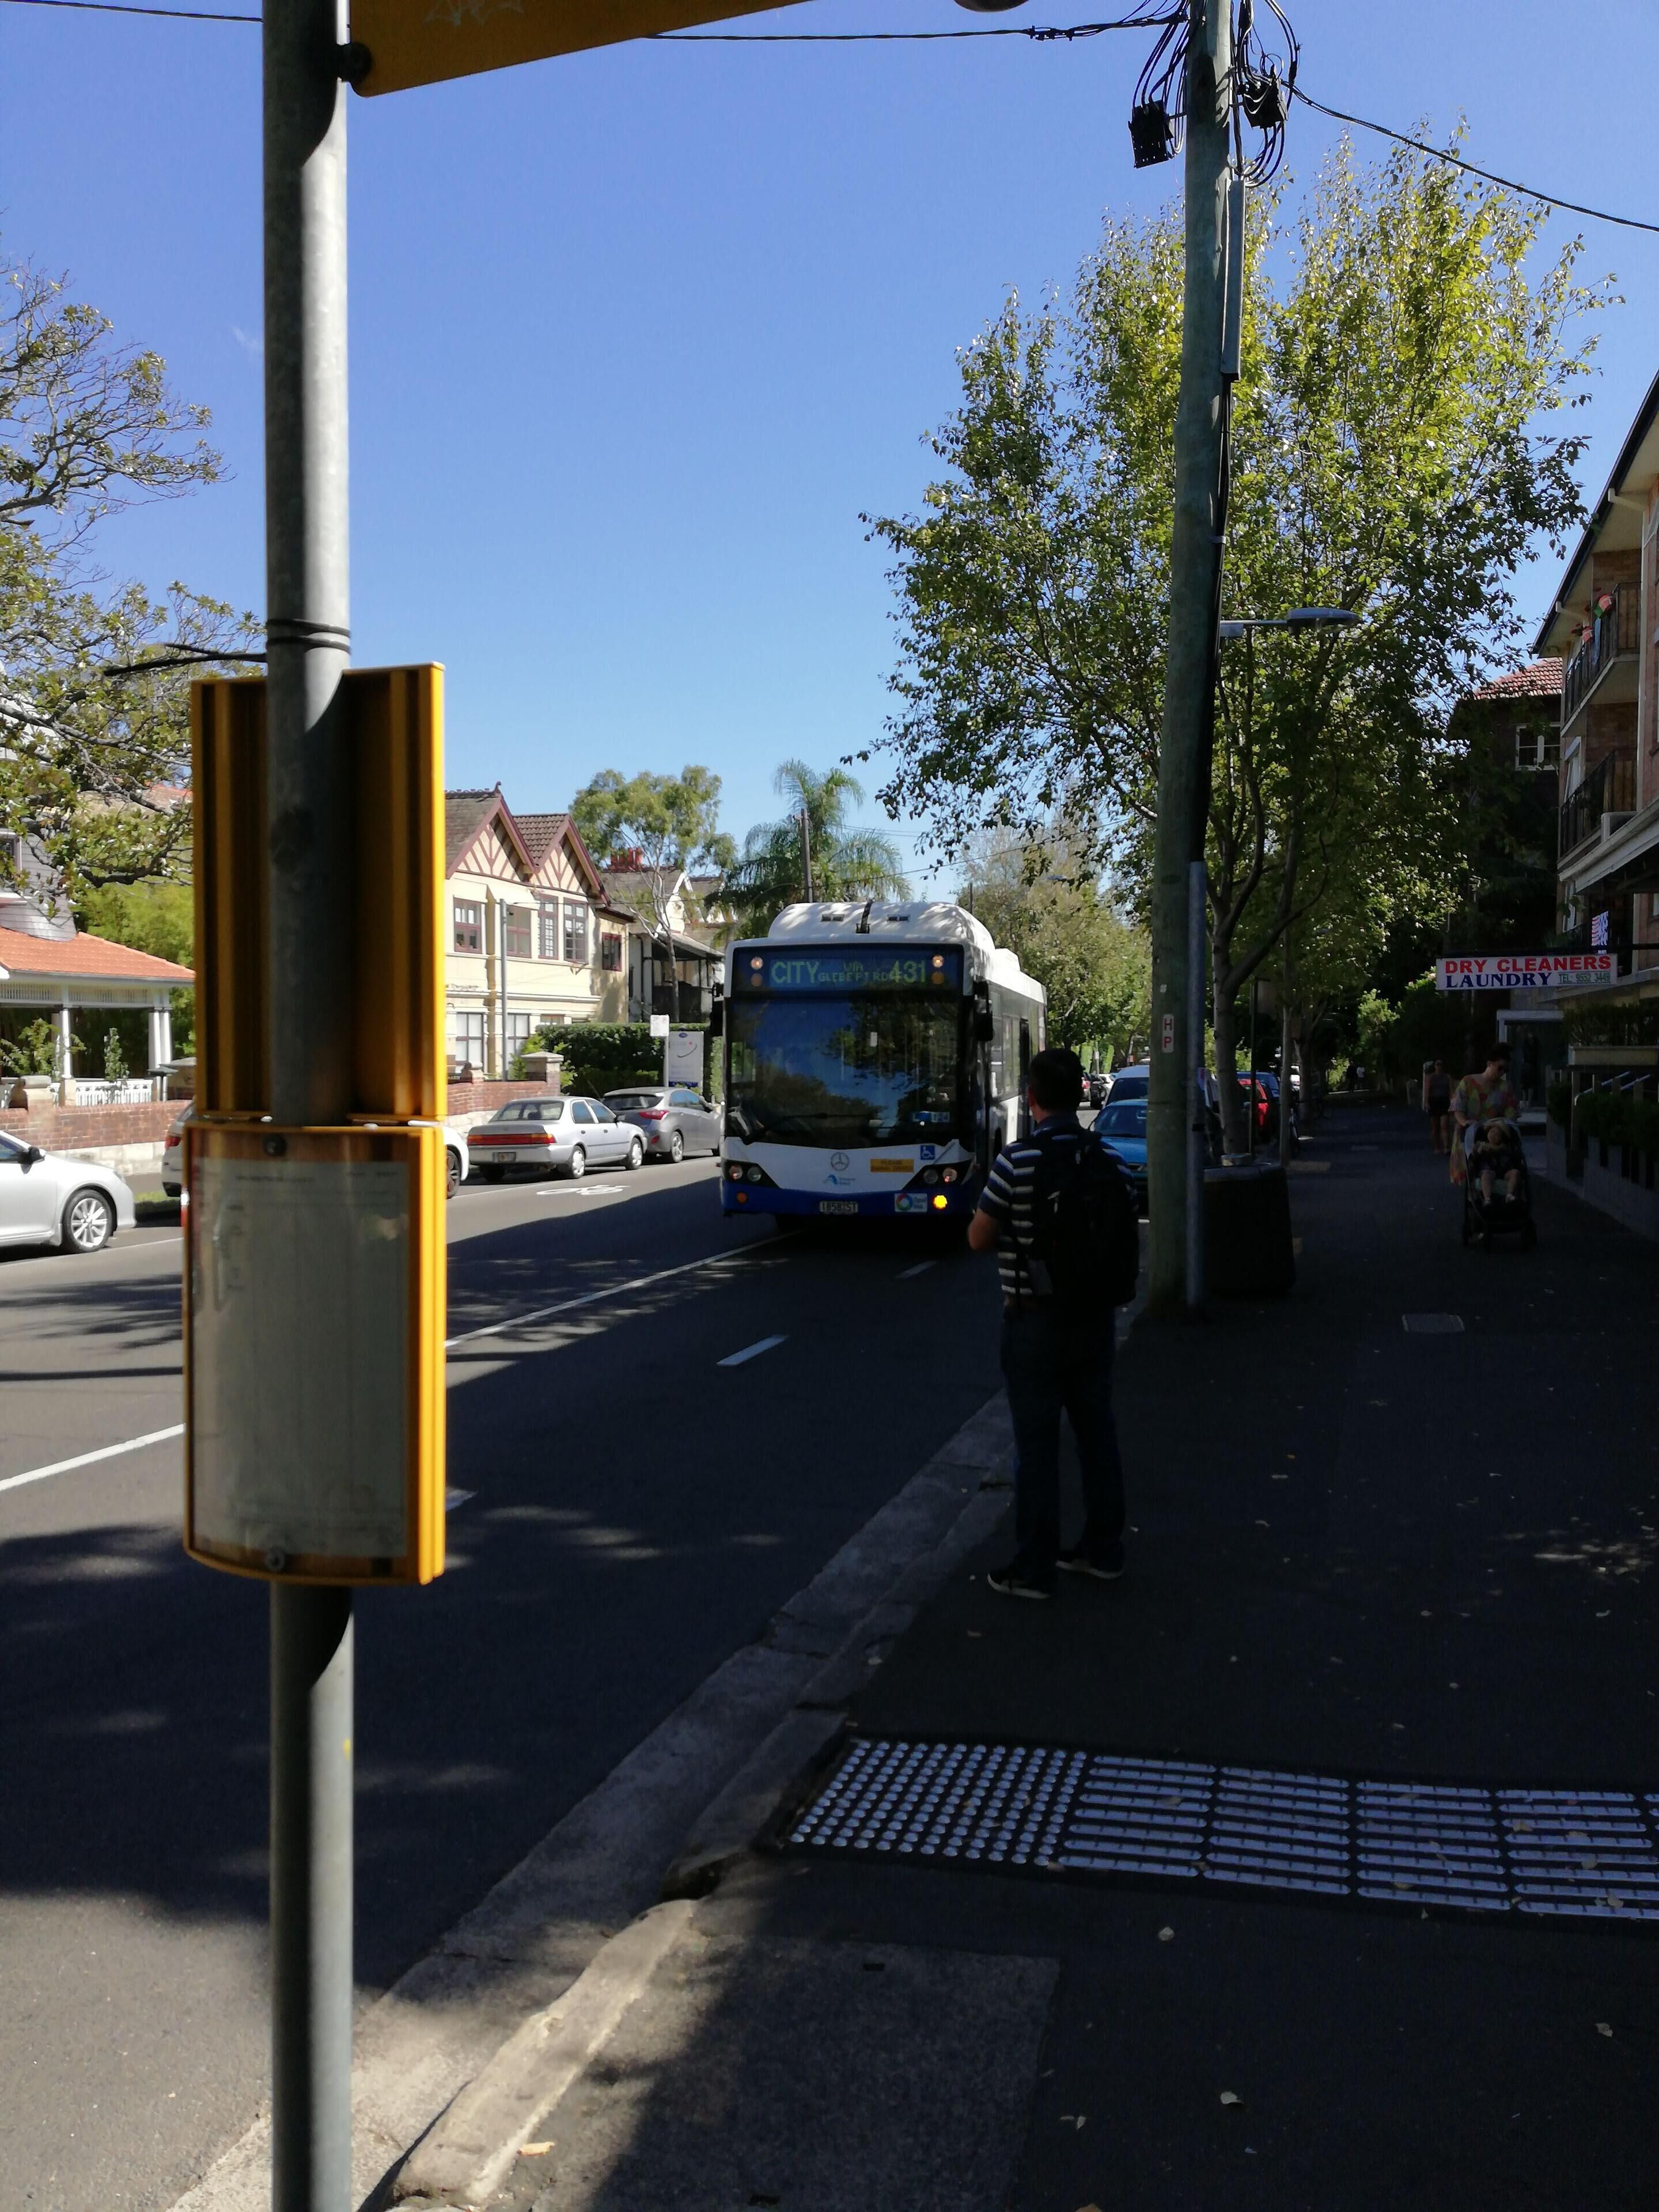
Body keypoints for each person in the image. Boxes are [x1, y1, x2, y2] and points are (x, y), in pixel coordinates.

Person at [967, 1045, 1137, 1601]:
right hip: (1094, 1321)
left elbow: (979, 1237)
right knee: (1098, 1435)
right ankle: (1102, 1549)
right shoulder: (1107, 1159)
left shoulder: (1016, 1161)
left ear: (1033, 1098)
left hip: (1033, 1323)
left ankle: (1034, 1567)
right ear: (1080, 1093)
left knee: (1036, 1446)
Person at [1449, 1043, 1520, 1185]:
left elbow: (1511, 1113)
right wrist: (1465, 1123)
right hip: (1471, 1132)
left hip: (1496, 1133)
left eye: (1505, 1070)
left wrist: (1504, 1126)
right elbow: (1458, 1108)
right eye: (1500, 1068)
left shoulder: (1505, 1088)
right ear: (1490, 1064)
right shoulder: (1468, 1082)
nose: (1502, 1073)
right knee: (1472, 1164)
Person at [1468, 1116, 1524, 1206]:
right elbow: (1475, 1159)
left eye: (1497, 1134)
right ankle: (1487, 1199)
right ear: (1487, 1133)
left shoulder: (1505, 1148)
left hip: (1505, 1171)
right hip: (1488, 1171)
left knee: (1515, 1173)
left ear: (1502, 1138)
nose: (1494, 1134)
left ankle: (1510, 1195)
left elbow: (1514, 1158)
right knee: (1486, 1175)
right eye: (1492, 1131)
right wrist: (1475, 1152)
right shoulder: (1482, 1146)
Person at [1423, 1058, 1453, 1155]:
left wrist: (1453, 1102)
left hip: (1444, 1101)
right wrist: (1427, 1103)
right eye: (1437, 1064)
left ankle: (1446, 1147)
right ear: (1435, 1066)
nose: (1439, 1066)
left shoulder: (1448, 1077)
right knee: (1435, 1126)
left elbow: (1451, 1091)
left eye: (1441, 1064)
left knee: (1444, 1125)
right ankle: (1437, 1147)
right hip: (1434, 1101)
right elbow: (1427, 1091)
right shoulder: (1430, 1077)